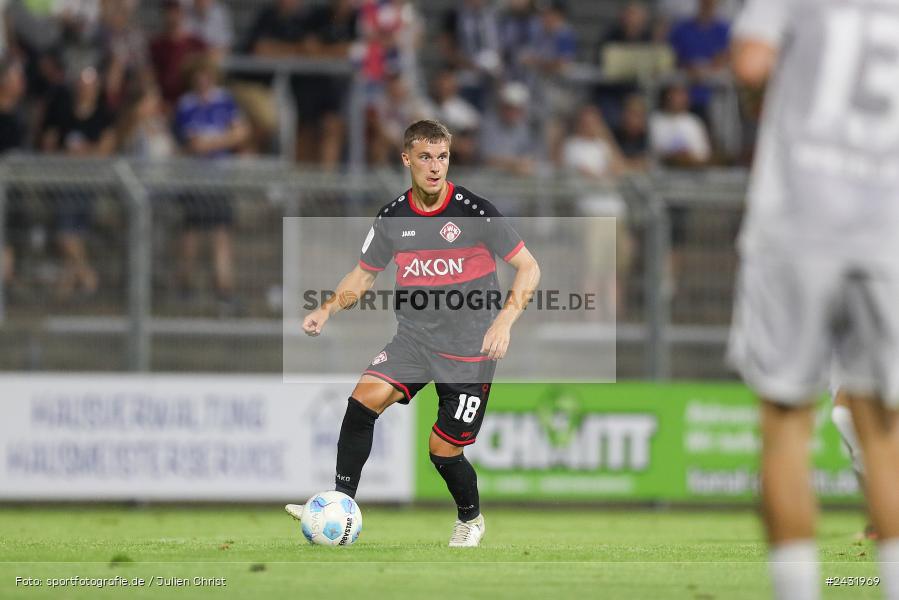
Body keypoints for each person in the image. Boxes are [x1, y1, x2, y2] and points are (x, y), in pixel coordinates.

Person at [286, 119, 540, 547]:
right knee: (360, 401)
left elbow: (529, 268)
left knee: (443, 450)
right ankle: (340, 502)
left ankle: (470, 519)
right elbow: (363, 277)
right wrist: (327, 308)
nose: (435, 166)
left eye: (442, 156)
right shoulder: (392, 217)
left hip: (469, 349)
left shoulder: (474, 211)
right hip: (415, 340)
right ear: (407, 159)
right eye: (425, 157)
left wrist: (503, 321)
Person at [729, 0, 899, 598]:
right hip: (883, 228)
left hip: (798, 221)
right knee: (883, 431)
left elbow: (751, 63)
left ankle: (796, 591)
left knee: (785, 427)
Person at [173, 55, 249, 316]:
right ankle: (184, 286)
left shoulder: (224, 100)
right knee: (191, 232)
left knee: (220, 233)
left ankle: (224, 290)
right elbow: (194, 144)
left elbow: (241, 133)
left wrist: (213, 142)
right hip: (195, 179)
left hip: (219, 179)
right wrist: (223, 140)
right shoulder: (186, 104)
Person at [41, 64, 115, 301]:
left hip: (89, 183)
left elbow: (104, 149)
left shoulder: (103, 114)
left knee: (76, 234)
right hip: (65, 182)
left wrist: (82, 152)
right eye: (82, 85)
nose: (86, 90)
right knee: (66, 234)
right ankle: (87, 277)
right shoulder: (63, 111)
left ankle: (68, 285)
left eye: (90, 85)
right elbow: (49, 145)